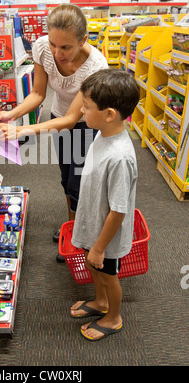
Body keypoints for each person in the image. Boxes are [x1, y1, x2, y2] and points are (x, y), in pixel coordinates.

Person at [0, 4, 108, 243]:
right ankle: (72, 225)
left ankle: (81, 234)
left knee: (79, 182)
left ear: (83, 40)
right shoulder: (42, 48)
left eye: (66, 47)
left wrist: (20, 130)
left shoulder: (96, 66)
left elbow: (72, 120)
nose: (57, 52)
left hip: (85, 125)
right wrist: (11, 114)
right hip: (57, 117)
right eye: (53, 44)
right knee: (65, 177)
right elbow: (38, 94)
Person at [70, 68, 140, 341]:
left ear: (109, 114)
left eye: (86, 108)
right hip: (94, 225)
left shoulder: (120, 157)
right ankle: (100, 303)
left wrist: (100, 247)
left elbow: (119, 210)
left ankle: (113, 317)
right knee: (93, 267)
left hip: (106, 237)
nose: (81, 112)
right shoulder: (103, 133)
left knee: (108, 275)